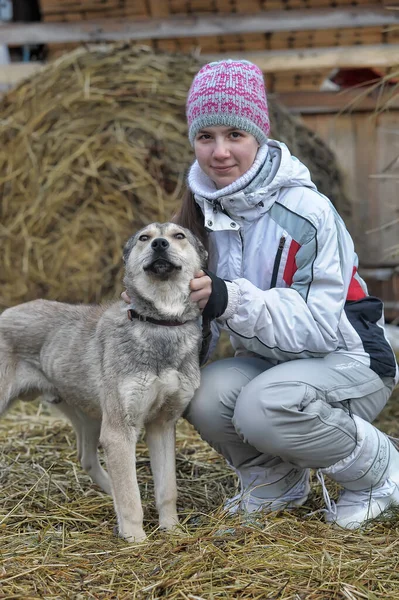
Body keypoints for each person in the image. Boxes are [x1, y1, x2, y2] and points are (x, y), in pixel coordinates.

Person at [126, 59, 399, 529]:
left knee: (263, 408)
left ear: (260, 135)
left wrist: (228, 298)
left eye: (235, 134)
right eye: (205, 137)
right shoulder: (198, 217)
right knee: (196, 391)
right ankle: (274, 482)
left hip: (350, 359)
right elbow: (196, 323)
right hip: (275, 364)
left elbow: (316, 325)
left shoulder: (307, 211)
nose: (219, 152)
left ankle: (380, 471)